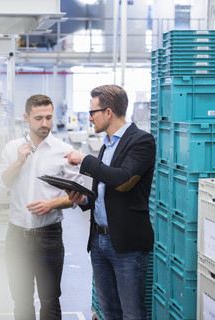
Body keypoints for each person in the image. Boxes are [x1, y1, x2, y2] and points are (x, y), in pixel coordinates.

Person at [64, 84, 155, 320]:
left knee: (132, 314)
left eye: (93, 111)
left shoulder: (142, 141)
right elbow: (104, 191)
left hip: (126, 244)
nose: (90, 117)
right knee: (110, 312)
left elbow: (124, 180)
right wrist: (83, 199)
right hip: (99, 241)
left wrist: (85, 160)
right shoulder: (106, 145)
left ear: (108, 112)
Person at [0, 94, 83, 320]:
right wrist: (19, 162)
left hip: (49, 236)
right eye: (38, 118)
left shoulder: (64, 150)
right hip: (16, 236)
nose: (44, 123)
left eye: (48, 118)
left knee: (50, 300)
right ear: (26, 118)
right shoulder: (12, 148)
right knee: (21, 300)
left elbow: (80, 195)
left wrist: (53, 203)